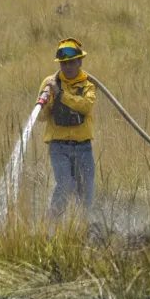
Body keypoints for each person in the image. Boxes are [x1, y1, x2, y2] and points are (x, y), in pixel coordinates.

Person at [36, 38, 97, 219]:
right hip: (58, 147)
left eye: (71, 62)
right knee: (65, 185)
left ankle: (85, 227)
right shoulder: (50, 83)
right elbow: (40, 117)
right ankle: (51, 223)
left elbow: (85, 106)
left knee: (86, 193)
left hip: (83, 147)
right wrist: (48, 102)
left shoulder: (88, 85)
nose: (67, 67)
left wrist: (60, 95)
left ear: (80, 62)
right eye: (64, 63)